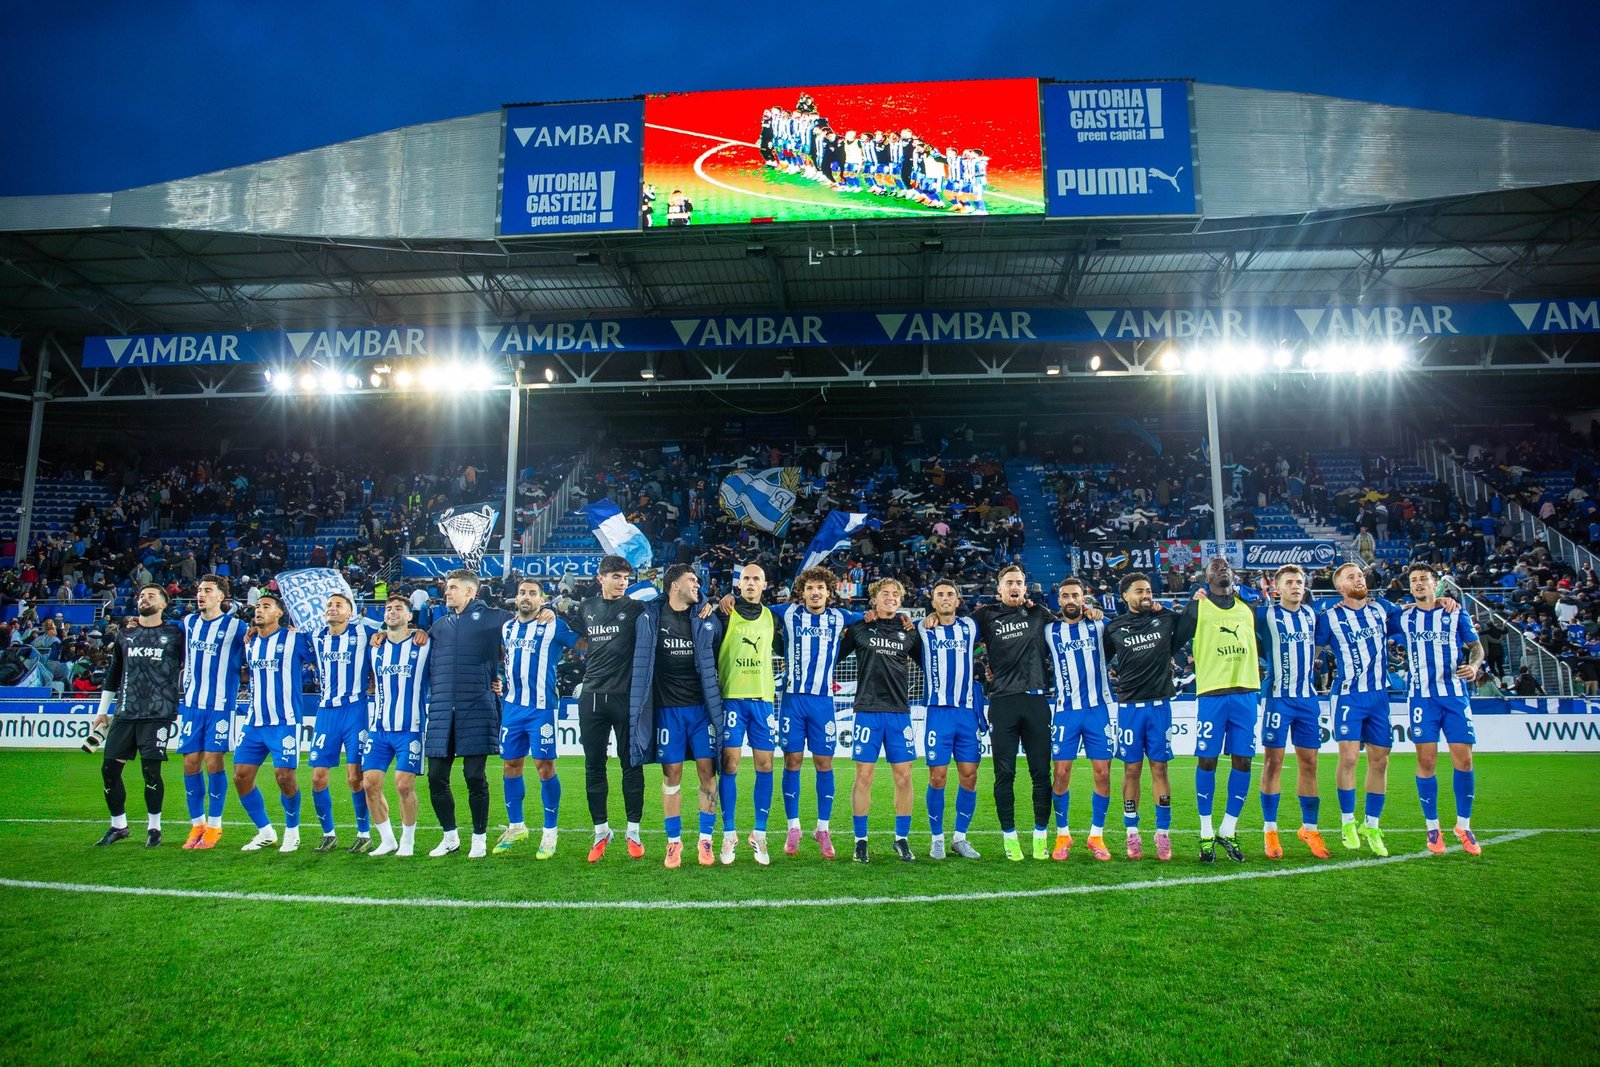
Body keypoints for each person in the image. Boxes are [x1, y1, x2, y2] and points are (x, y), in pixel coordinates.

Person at [770, 566, 863, 859]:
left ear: (829, 592)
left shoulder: (840, 618)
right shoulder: (787, 613)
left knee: (824, 762)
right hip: (793, 700)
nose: (815, 592)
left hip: (823, 702)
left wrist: (899, 617)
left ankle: (823, 828)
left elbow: (872, 617)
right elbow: (755, 606)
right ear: (802, 591)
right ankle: (793, 826)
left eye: (821, 588)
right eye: (810, 587)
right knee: (793, 761)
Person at [1392, 563, 1485, 855]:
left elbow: (1477, 647)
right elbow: (1373, 614)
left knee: (1464, 760)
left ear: (1436, 584)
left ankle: (1463, 825)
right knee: (1427, 761)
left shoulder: (1455, 612)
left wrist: (1474, 665)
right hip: (1422, 698)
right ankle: (1432, 828)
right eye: (1414, 580)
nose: (1419, 583)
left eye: (1424, 579)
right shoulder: (1404, 617)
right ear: (1410, 587)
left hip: (1455, 695)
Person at [1103, 571, 1194, 862]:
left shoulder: (1165, 618)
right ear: (1125, 596)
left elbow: (1189, 623)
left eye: (1149, 591)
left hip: (1159, 706)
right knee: (1131, 770)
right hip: (1129, 708)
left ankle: (1162, 834)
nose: (1146, 595)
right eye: (1139, 591)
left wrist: (1166, 608)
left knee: (1160, 769)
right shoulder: (1114, 627)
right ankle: (1132, 831)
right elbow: (1100, 658)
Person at [424, 569, 513, 859]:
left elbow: (522, 632)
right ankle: (449, 837)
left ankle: (479, 837)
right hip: (440, 712)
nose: (447, 591)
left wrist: (503, 680)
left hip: (476, 708)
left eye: (452, 587)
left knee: (475, 776)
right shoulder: (438, 626)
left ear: (470, 592)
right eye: (446, 587)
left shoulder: (492, 617)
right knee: (436, 777)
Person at [970, 564, 1057, 862]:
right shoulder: (985, 615)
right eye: (1009, 582)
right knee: (1004, 774)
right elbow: (954, 631)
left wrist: (1092, 612)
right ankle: (1009, 838)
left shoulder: (1039, 613)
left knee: (1041, 774)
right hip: (1003, 704)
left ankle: (1040, 836)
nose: (1015, 586)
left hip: (1036, 702)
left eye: (1020, 581)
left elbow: (1070, 627)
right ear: (1000, 589)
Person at [570, 555, 652, 861]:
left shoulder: (635, 608)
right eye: (616, 577)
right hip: (591, 696)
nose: (622, 583)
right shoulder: (586, 607)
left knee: (631, 764)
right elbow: (576, 637)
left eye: (626, 578)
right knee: (594, 765)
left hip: (625, 697)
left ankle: (633, 832)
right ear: (601, 577)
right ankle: (601, 831)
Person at [93, 584, 185, 847]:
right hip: (125, 712)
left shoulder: (176, 632)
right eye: (142, 596)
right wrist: (102, 712)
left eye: (151, 595)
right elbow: (113, 673)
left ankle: (154, 829)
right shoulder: (125, 633)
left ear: (165, 603)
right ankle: (118, 825)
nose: (144, 599)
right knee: (109, 770)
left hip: (158, 712)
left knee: (151, 771)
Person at [645, 565, 724, 868]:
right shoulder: (652, 617)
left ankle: (706, 840)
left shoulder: (707, 619)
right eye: (691, 580)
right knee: (672, 776)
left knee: (708, 773)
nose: (697, 584)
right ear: (673, 585)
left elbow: (717, 655)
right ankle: (673, 843)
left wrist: (718, 603)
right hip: (668, 711)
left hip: (701, 711)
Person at [839, 578, 923, 862]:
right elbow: (832, 656)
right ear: (873, 599)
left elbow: (932, 664)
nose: (891, 597)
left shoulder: (909, 631)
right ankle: (860, 841)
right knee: (864, 777)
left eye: (895, 594)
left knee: (904, 776)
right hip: (867, 711)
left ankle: (901, 839)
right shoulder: (859, 628)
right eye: (885, 593)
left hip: (900, 712)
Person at [1184, 557, 1260, 864]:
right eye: (1215, 566)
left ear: (1234, 574)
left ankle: (1228, 829)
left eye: (1226, 565)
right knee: (1208, 760)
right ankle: (1205, 832)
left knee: (1243, 760)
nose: (1222, 568)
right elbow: (1174, 638)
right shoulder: (1196, 607)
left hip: (1245, 692)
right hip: (1212, 694)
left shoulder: (1248, 609)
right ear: (1205, 578)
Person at [494, 579, 577, 859]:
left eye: (532, 593)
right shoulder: (507, 627)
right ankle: (516, 826)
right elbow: (506, 660)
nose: (526, 597)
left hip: (541, 708)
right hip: (512, 707)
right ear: (516, 599)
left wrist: (561, 613)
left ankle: (550, 832)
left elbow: (585, 644)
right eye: (522, 593)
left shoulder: (554, 625)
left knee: (544, 767)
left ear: (542, 599)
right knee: (510, 765)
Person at [1255, 564, 1331, 860]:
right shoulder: (1265, 615)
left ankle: (1309, 828)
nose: (1296, 586)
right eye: (1289, 582)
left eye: (1299, 582)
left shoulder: (1313, 615)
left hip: (1308, 700)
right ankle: (1270, 830)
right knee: (1273, 763)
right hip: (1277, 699)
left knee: (1309, 764)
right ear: (1277, 588)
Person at [234, 591, 316, 852]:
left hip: (285, 721)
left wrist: (305, 633)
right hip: (254, 722)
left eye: (266, 606)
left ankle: (292, 831)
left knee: (284, 777)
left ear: (279, 613)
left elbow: (320, 656)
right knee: (241, 776)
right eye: (258, 606)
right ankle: (265, 831)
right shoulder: (250, 641)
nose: (259, 610)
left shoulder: (294, 639)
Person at [712, 563, 782, 865]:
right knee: (729, 765)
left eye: (756, 579)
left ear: (764, 585)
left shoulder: (773, 617)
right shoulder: (725, 614)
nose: (751, 583)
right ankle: (729, 835)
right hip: (732, 700)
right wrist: (718, 603)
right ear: (738, 584)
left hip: (763, 700)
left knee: (765, 765)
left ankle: (759, 833)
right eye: (746, 579)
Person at [1043, 577, 1114, 863]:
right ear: (1058, 601)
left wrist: (1101, 613)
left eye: (1075, 595)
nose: (1070, 600)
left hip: (1098, 710)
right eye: (1065, 596)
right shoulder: (1049, 630)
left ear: (1083, 598)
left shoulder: (1100, 624)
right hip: (1065, 711)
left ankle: (1096, 835)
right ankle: (1063, 834)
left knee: (1103, 774)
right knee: (1060, 774)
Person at [175, 574, 247, 850]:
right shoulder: (189, 622)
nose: (201, 594)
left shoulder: (236, 627)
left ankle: (215, 826)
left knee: (213, 762)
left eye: (207, 590)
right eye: (199, 590)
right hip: (193, 705)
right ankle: (197, 824)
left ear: (221, 597)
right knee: (190, 762)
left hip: (220, 706)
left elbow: (258, 640)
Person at [919, 579, 984, 860]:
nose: (945, 598)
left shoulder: (970, 626)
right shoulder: (923, 628)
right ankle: (937, 838)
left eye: (950, 594)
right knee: (938, 776)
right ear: (933, 602)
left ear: (958, 601)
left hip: (966, 713)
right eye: (940, 595)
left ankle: (959, 837)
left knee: (969, 776)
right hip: (938, 712)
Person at [308, 592, 376, 853]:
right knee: (317, 777)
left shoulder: (364, 633)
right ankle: (328, 834)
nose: (332, 608)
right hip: (326, 713)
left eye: (339, 605)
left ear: (350, 612)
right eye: (329, 605)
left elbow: (395, 630)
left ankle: (363, 833)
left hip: (354, 711)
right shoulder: (315, 636)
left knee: (354, 777)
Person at [363, 595, 431, 857]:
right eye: (388, 608)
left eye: (398, 608)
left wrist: (421, 631)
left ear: (409, 616)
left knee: (403, 786)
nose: (392, 612)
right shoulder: (375, 646)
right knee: (369, 784)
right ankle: (388, 839)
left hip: (410, 727)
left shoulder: (423, 644)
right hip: (379, 728)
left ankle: (408, 840)